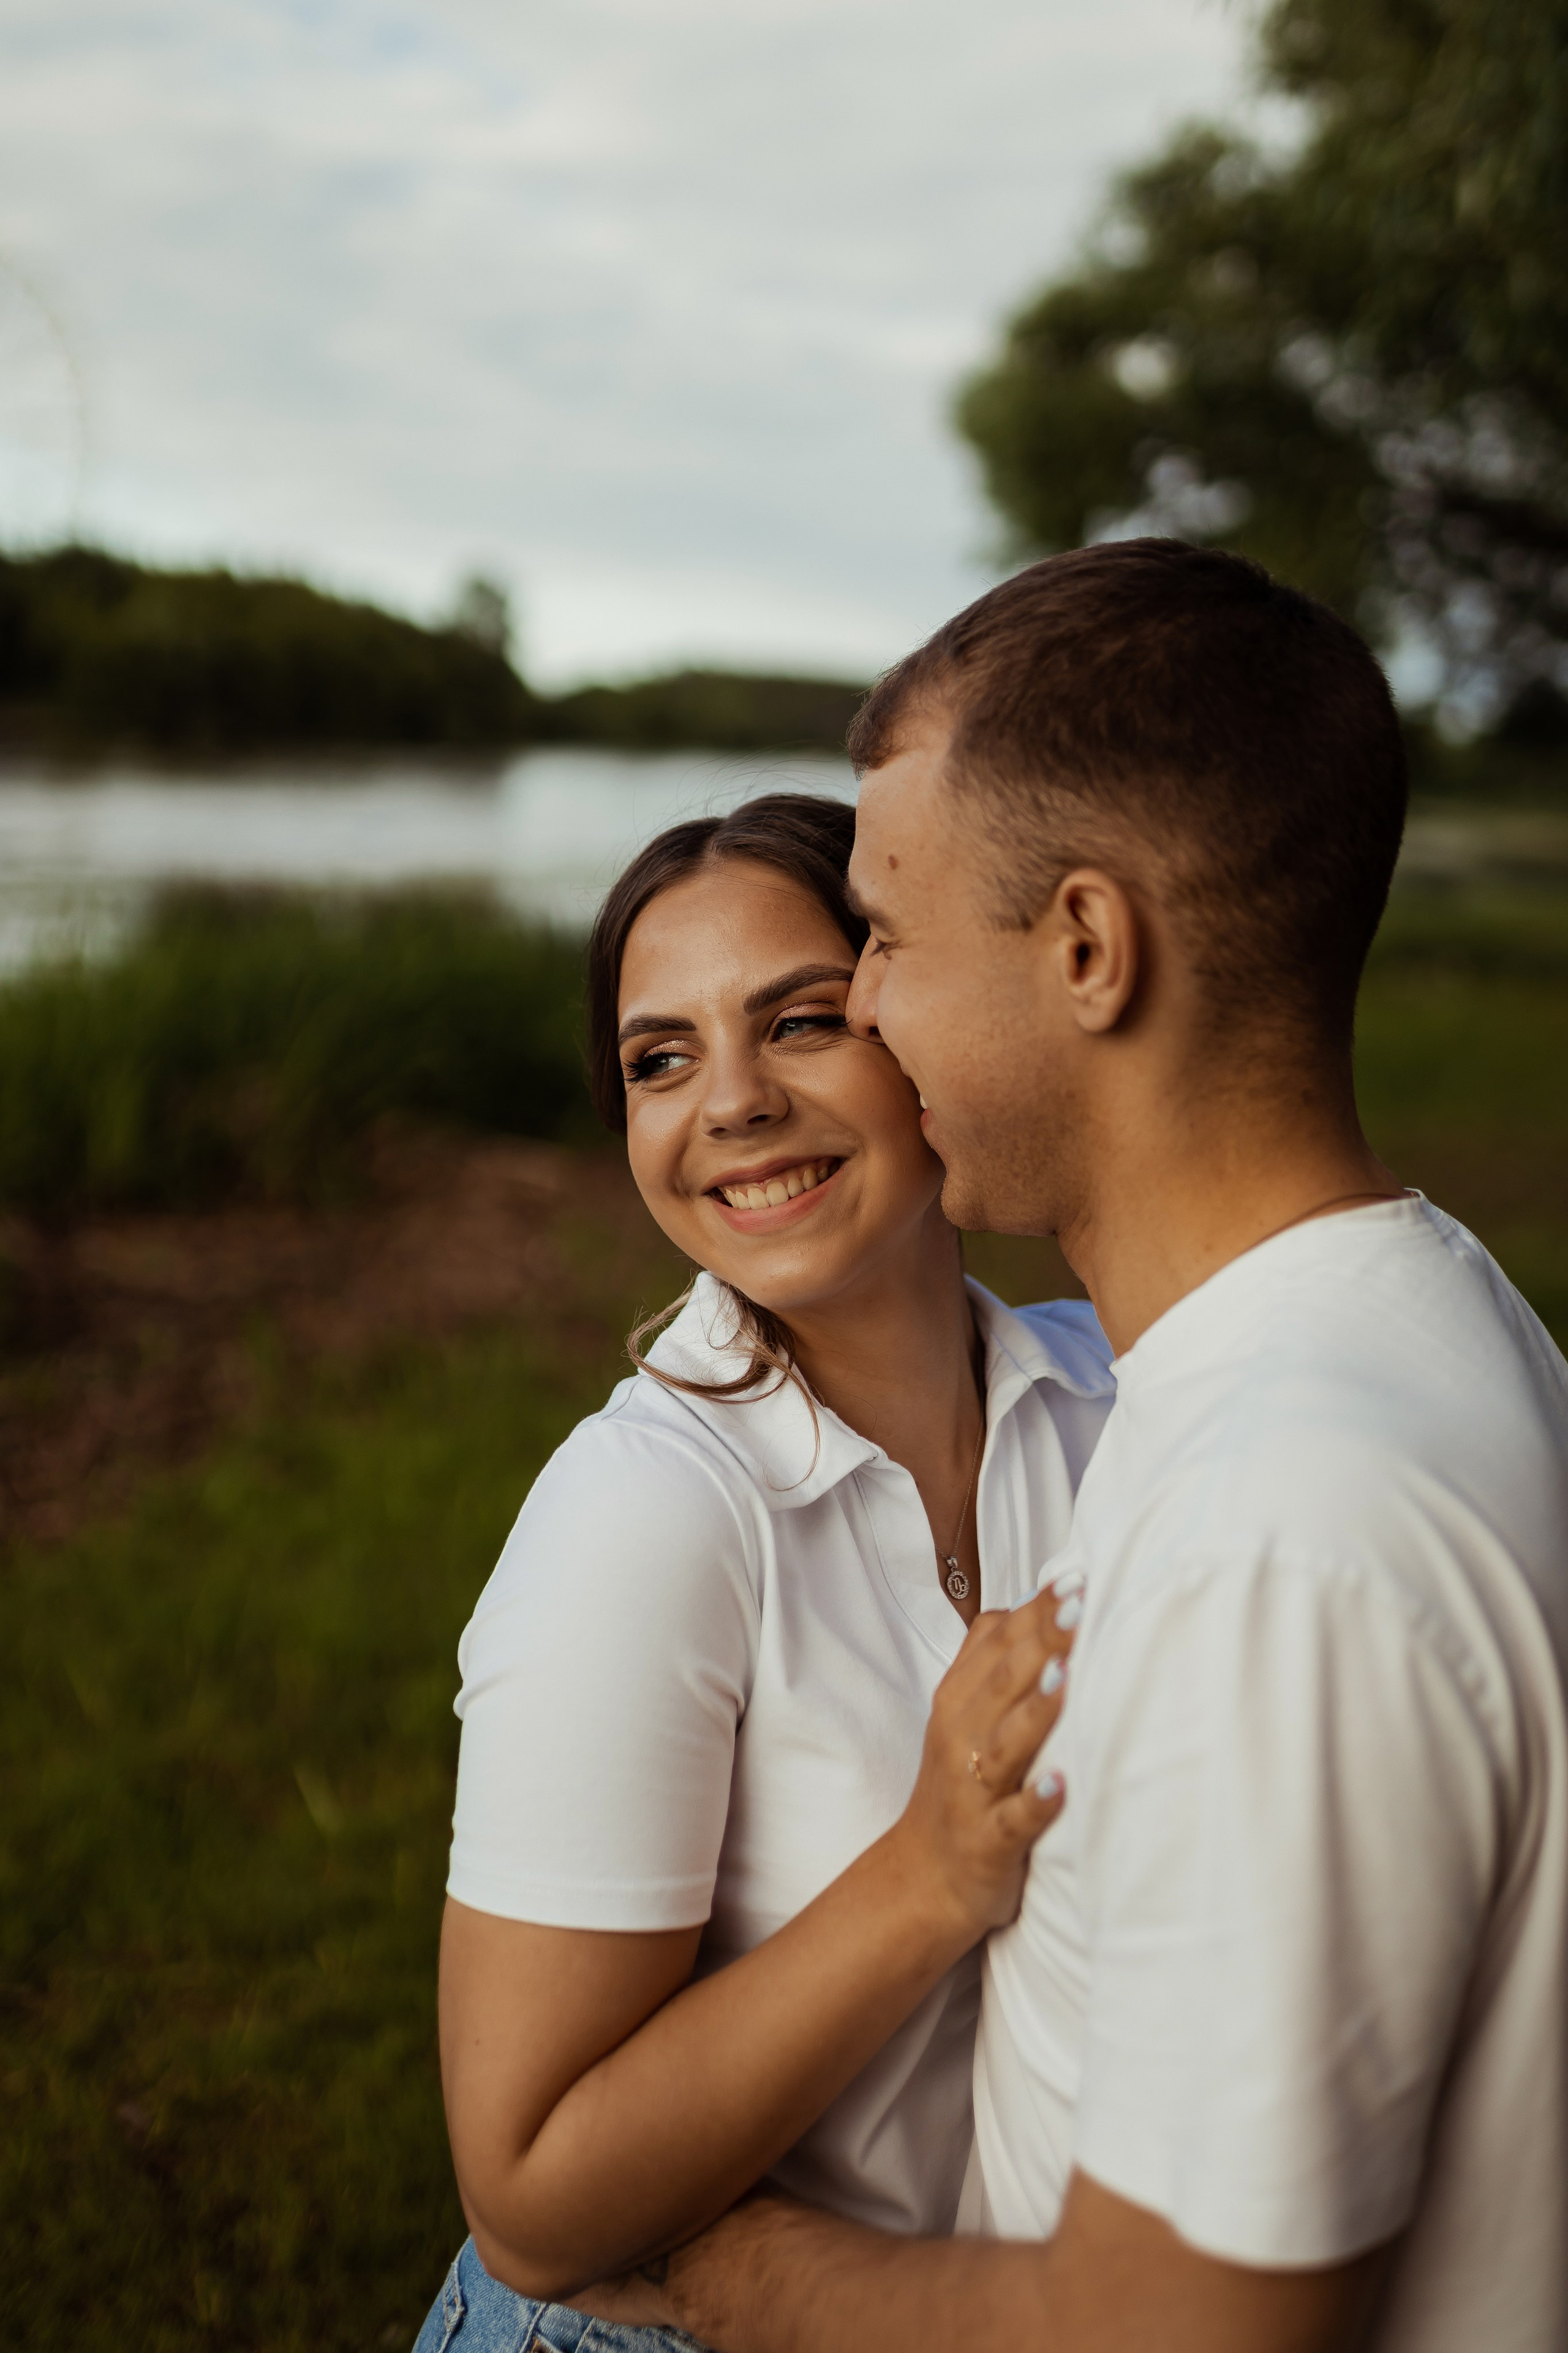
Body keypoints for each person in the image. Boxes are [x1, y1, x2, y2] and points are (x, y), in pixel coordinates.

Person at [577, 540, 1568, 2353]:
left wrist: (736, 2268)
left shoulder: (1290, 1537)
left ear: (1090, 950)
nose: (860, 1006)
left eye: (885, 935)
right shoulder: (1406, 1323)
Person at [412, 794, 1117, 2353]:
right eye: (658, 1059)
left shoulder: (1109, 1393)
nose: (727, 1103)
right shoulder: (643, 1518)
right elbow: (529, 2201)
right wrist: (926, 1872)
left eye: (798, 1022)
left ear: (916, 1023)